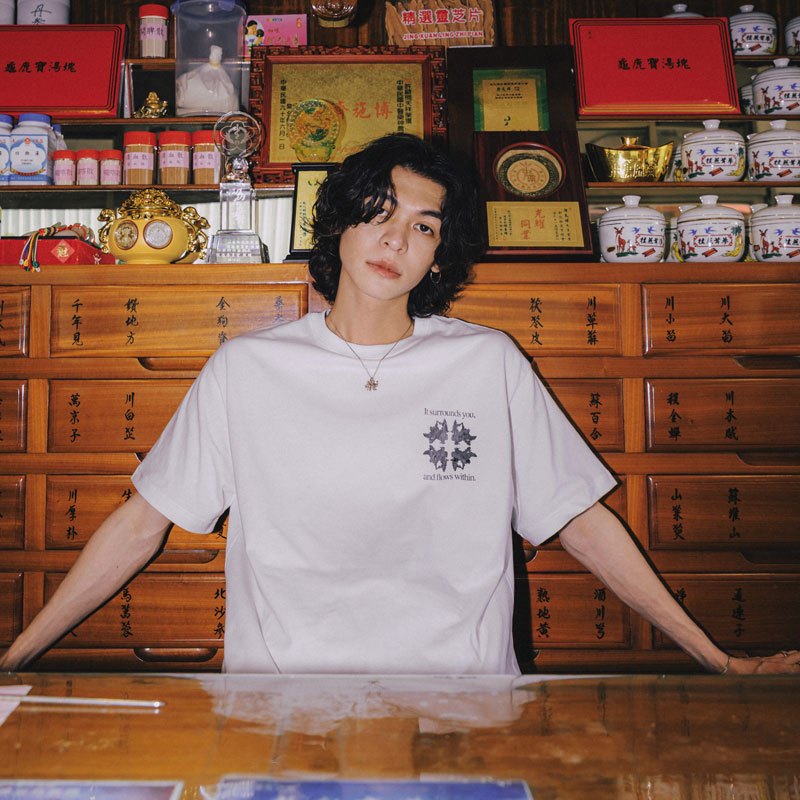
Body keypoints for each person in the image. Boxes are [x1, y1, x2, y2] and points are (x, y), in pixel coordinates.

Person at [1, 134, 798, 675]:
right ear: (340, 224)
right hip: (283, 707)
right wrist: (14, 659)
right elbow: (141, 523)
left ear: (439, 255)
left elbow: (582, 520)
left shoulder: (486, 362)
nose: (395, 241)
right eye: (379, 213)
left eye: (423, 227)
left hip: (462, 706)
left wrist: (717, 659)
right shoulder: (247, 369)